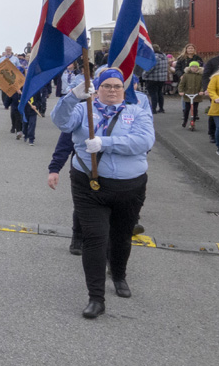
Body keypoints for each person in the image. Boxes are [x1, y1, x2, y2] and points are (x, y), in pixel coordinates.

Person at [52, 68, 154, 318]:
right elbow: (60, 121)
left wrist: (106, 143)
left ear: (124, 90)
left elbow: (144, 142)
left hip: (130, 187)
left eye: (117, 86)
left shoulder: (137, 111)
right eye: (106, 86)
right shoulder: (83, 110)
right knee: (95, 238)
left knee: (121, 236)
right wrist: (72, 96)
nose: (112, 91)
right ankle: (96, 297)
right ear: (97, 89)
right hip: (89, 184)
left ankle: (119, 275)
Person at [178, 61, 205, 131]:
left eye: (196, 67)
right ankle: (185, 121)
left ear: (198, 68)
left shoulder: (200, 75)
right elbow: (181, 84)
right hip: (188, 94)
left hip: (196, 95)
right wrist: (181, 91)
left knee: (195, 109)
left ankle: (193, 122)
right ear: (190, 67)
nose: (194, 68)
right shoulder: (186, 75)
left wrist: (202, 91)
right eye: (192, 67)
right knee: (187, 109)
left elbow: (203, 84)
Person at [143, 45, 168, 113]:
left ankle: (153, 109)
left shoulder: (153, 57)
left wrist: (144, 75)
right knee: (160, 93)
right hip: (162, 78)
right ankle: (161, 108)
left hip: (152, 78)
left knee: (153, 94)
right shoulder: (164, 56)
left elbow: (150, 68)